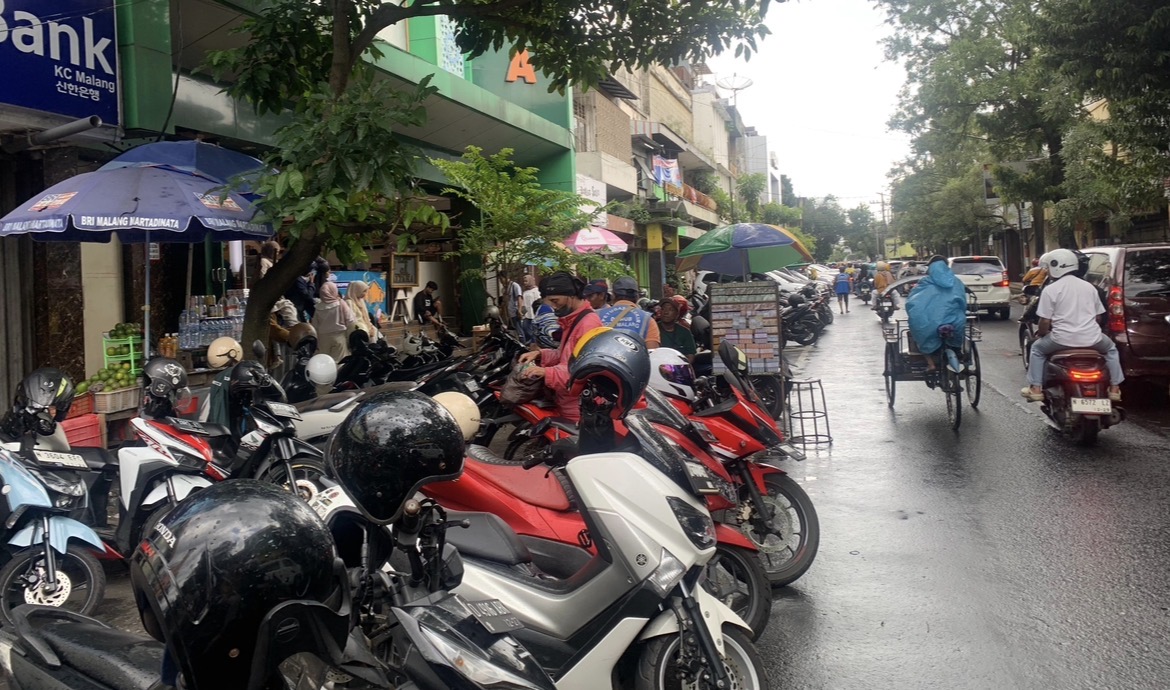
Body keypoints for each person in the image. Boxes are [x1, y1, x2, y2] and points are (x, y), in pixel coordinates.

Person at [1022, 249, 1123, 402]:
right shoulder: (1090, 287)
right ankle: (1115, 388)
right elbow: (1098, 317)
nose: (1047, 271)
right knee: (1111, 349)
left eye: (1048, 267)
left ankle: (1036, 388)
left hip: (1060, 340)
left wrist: (1042, 334)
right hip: (1093, 339)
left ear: (1056, 266)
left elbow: (1044, 321)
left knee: (1036, 349)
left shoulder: (1050, 290)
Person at [517, 271, 603, 422]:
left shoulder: (587, 324)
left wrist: (546, 372)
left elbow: (579, 371)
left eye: (555, 300)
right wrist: (540, 354)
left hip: (579, 407)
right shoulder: (573, 320)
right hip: (568, 402)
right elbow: (564, 355)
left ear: (570, 296)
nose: (553, 307)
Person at [905, 255, 968, 375]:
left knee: (918, 327)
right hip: (954, 321)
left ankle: (930, 363)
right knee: (960, 323)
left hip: (929, 323)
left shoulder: (924, 282)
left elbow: (912, 302)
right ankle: (957, 351)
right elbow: (962, 302)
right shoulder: (957, 282)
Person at [597, 276, 661, 348]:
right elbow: (652, 352)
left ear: (613, 295)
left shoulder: (597, 316)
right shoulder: (647, 320)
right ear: (637, 297)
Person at [312, 281, 355, 361]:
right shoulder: (341, 304)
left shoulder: (318, 308)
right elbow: (350, 319)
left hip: (323, 338)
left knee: (324, 360)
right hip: (338, 336)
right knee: (339, 361)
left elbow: (315, 325)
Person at [520, 274, 541, 344]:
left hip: (534, 314)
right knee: (525, 328)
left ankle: (534, 343)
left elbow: (538, 302)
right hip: (527, 315)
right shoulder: (525, 292)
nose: (525, 283)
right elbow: (523, 303)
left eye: (526, 281)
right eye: (524, 281)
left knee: (534, 330)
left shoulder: (536, 291)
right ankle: (529, 342)